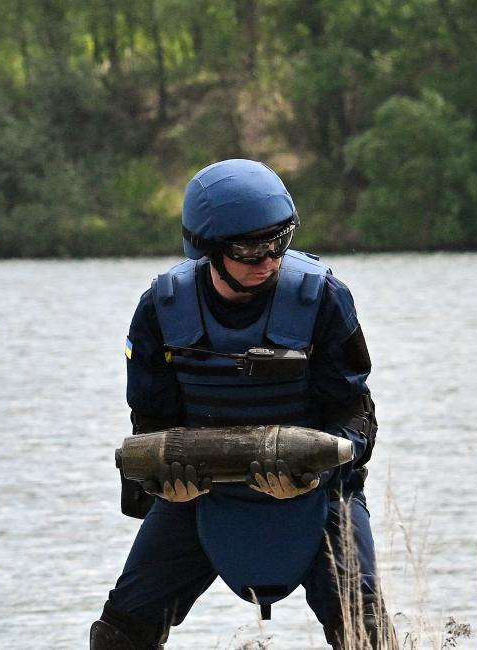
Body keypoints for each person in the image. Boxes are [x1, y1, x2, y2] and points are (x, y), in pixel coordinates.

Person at [92, 159, 393, 649]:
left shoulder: (323, 298)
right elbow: (150, 424)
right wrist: (165, 486)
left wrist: (316, 470)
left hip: (316, 492)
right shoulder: (160, 310)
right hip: (199, 497)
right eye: (252, 249)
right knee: (119, 633)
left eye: (280, 242)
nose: (269, 260)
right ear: (208, 248)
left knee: (367, 634)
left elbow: (357, 416)